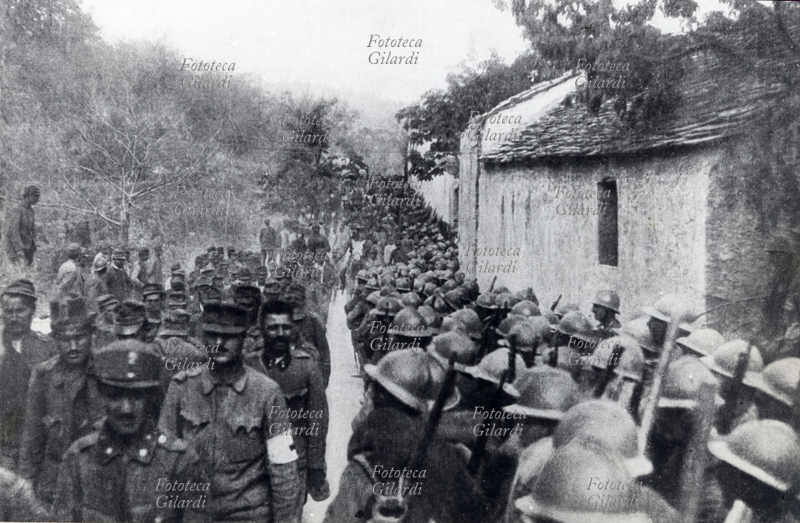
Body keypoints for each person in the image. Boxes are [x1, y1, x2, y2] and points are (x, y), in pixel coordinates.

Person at [158, 303, 300, 523]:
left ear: (243, 338)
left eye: (229, 336)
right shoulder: (181, 387)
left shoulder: (267, 393)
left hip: (248, 516)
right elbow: (164, 463)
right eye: (212, 335)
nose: (219, 343)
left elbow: (283, 470)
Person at [53, 340, 209, 523]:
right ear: (102, 396)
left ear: (150, 398)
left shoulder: (179, 461)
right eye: (115, 396)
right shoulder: (78, 459)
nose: (126, 409)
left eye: (136, 396)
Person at [20, 297, 104, 507]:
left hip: (100, 482)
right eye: (65, 339)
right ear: (55, 339)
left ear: (91, 335)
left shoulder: (108, 371)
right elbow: (33, 440)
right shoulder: (42, 376)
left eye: (80, 337)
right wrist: (26, 489)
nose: (73, 346)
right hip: (55, 486)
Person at [253, 300, 330, 520]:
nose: (280, 334)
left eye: (285, 327)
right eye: (272, 327)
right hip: (253, 462)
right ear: (262, 329)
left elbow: (318, 421)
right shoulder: (249, 365)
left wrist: (316, 465)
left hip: (296, 461)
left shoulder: (306, 367)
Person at [0, 280, 54, 471]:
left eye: (20, 311)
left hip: (36, 444)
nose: (14, 317)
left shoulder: (47, 348)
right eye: (8, 311)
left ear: (32, 311)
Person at [4, 185, 39, 266]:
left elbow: (32, 229)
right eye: (35, 196)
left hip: (27, 247)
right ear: (29, 195)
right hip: (15, 249)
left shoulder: (31, 211)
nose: (37, 199)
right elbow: (12, 231)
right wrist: (19, 249)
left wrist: (35, 245)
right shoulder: (17, 209)